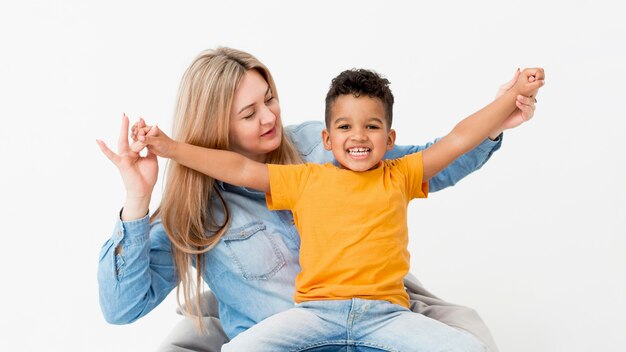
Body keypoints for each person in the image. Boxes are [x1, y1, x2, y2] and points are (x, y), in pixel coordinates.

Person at [96, 47, 539, 352]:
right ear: (214, 127)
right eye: (249, 114)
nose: (270, 117)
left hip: (380, 317)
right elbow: (122, 309)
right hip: (297, 332)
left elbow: (438, 157)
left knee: (469, 338)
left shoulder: (321, 144)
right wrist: (139, 197)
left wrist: (497, 116)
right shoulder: (194, 207)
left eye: (269, 98)